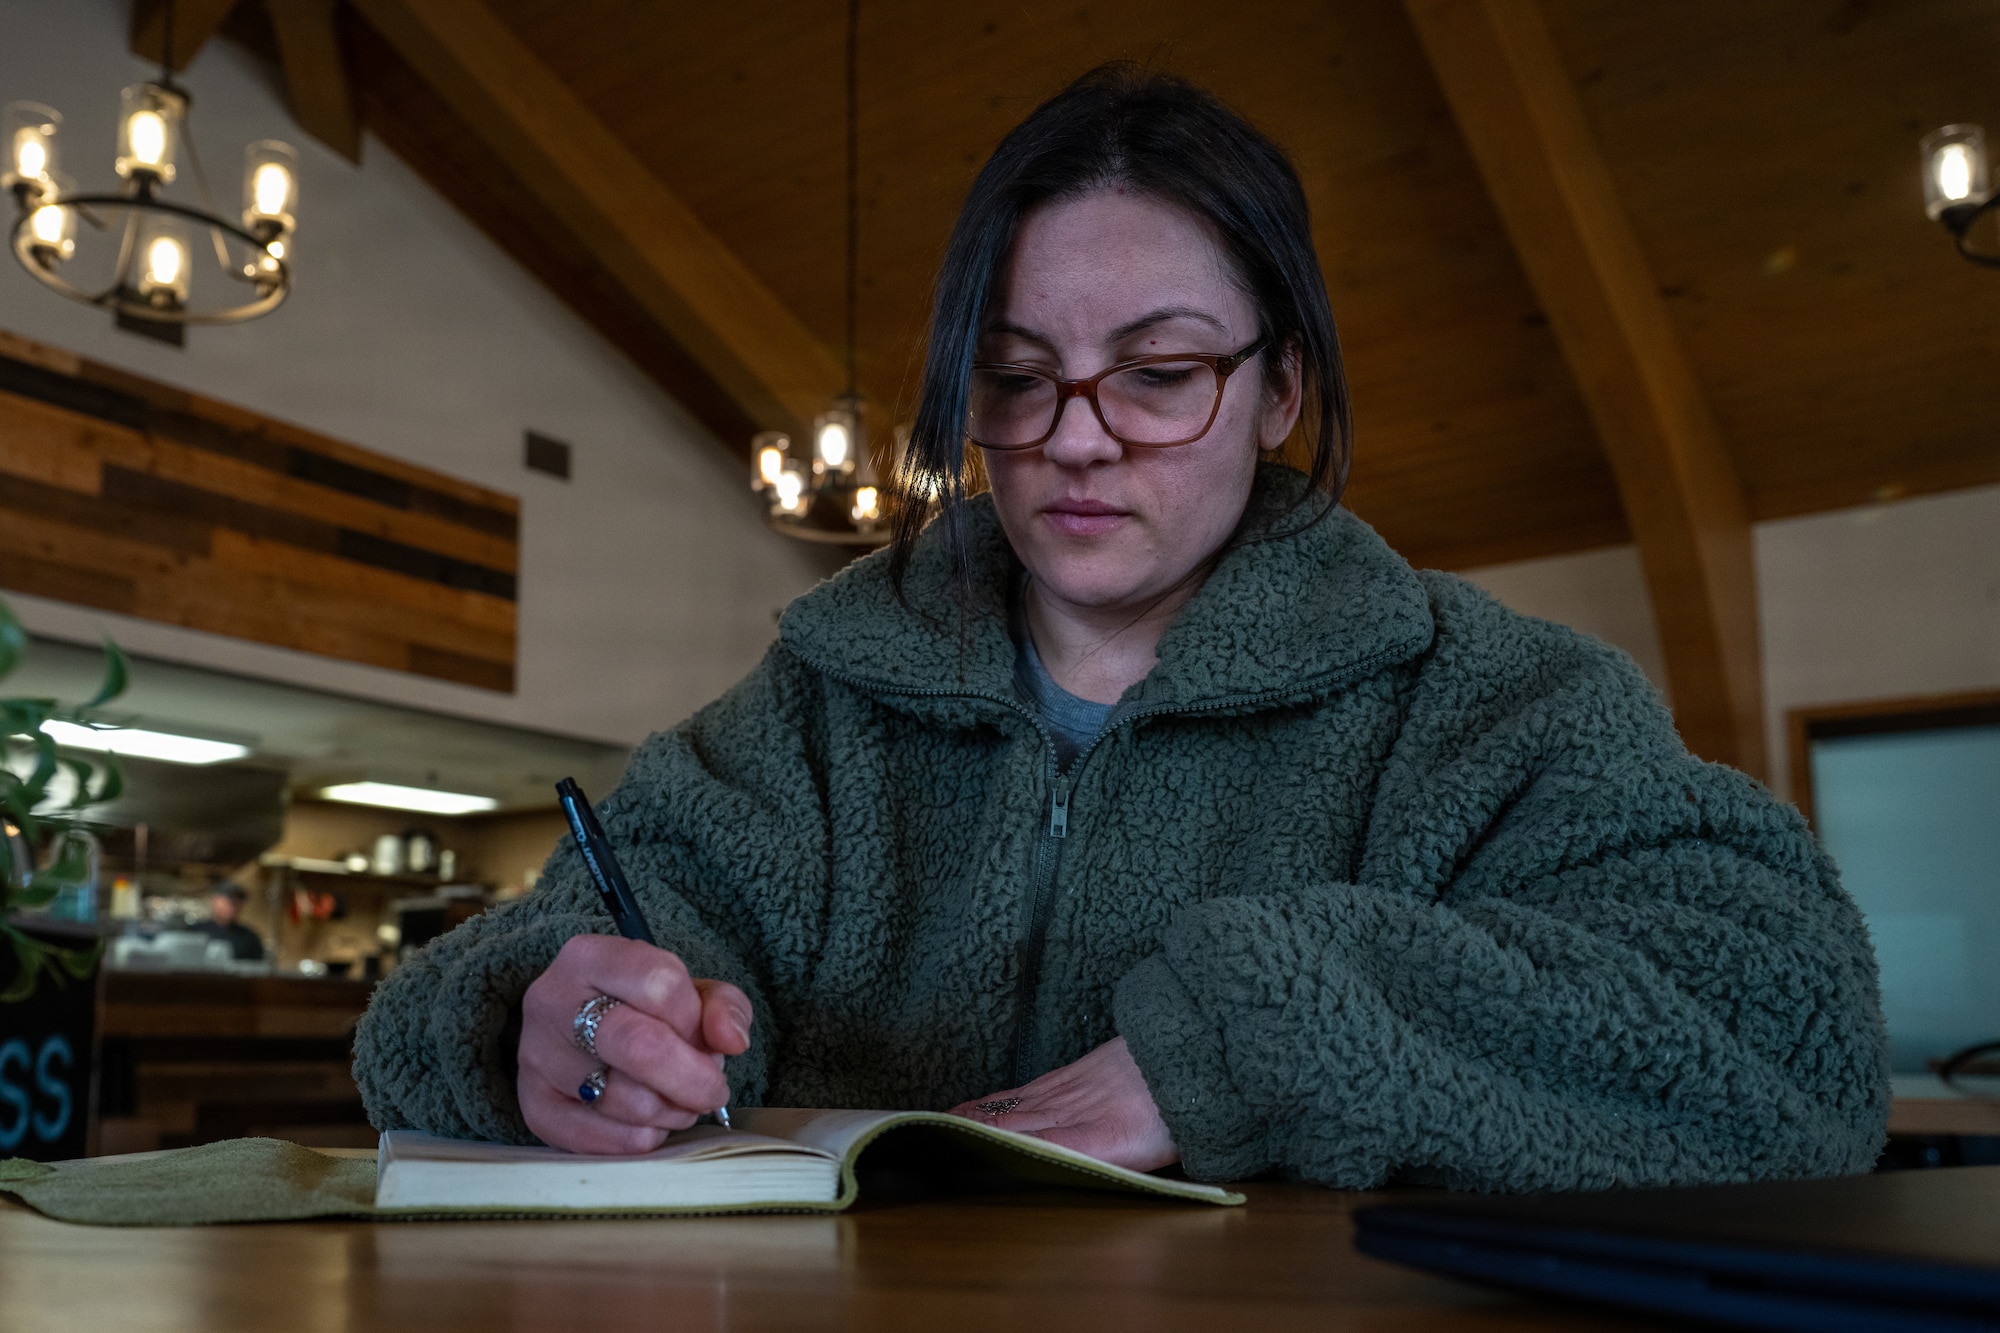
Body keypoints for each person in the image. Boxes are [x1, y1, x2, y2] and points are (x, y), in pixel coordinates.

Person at [354, 65, 1888, 1191]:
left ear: (1280, 389)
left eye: (1158, 373)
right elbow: (513, 980)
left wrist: (1245, 1038)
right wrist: (534, 1028)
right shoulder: (805, 716)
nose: (1075, 439)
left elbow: (1789, 1021)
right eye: (1017, 377)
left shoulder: (1494, 705)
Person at [201, 883, 265, 962]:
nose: (232, 905)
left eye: (237, 901)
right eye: (227, 899)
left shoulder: (249, 938)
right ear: (214, 900)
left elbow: (257, 968)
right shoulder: (195, 931)